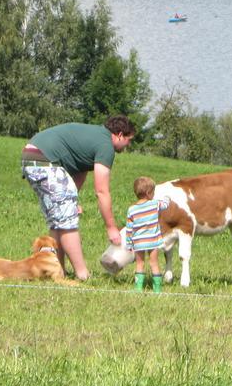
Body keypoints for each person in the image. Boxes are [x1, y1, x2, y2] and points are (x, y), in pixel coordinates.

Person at [20, 114, 136, 280]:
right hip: (44, 160)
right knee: (67, 221)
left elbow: (79, 172)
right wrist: (111, 227)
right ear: (119, 135)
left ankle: (57, 271)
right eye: (128, 140)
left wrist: (73, 201)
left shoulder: (94, 137)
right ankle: (82, 274)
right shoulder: (106, 146)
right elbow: (102, 191)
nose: (128, 145)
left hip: (32, 156)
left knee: (58, 219)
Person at [125, 176, 166, 292]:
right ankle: (157, 290)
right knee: (154, 263)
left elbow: (129, 229)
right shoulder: (154, 204)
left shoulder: (131, 209)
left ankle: (138, 288)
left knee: (139, 263)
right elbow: (165, 205)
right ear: (148, 193)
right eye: (153, 192)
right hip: (153, 241)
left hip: (138, 242)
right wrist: (167, 198)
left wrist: (129, 244)